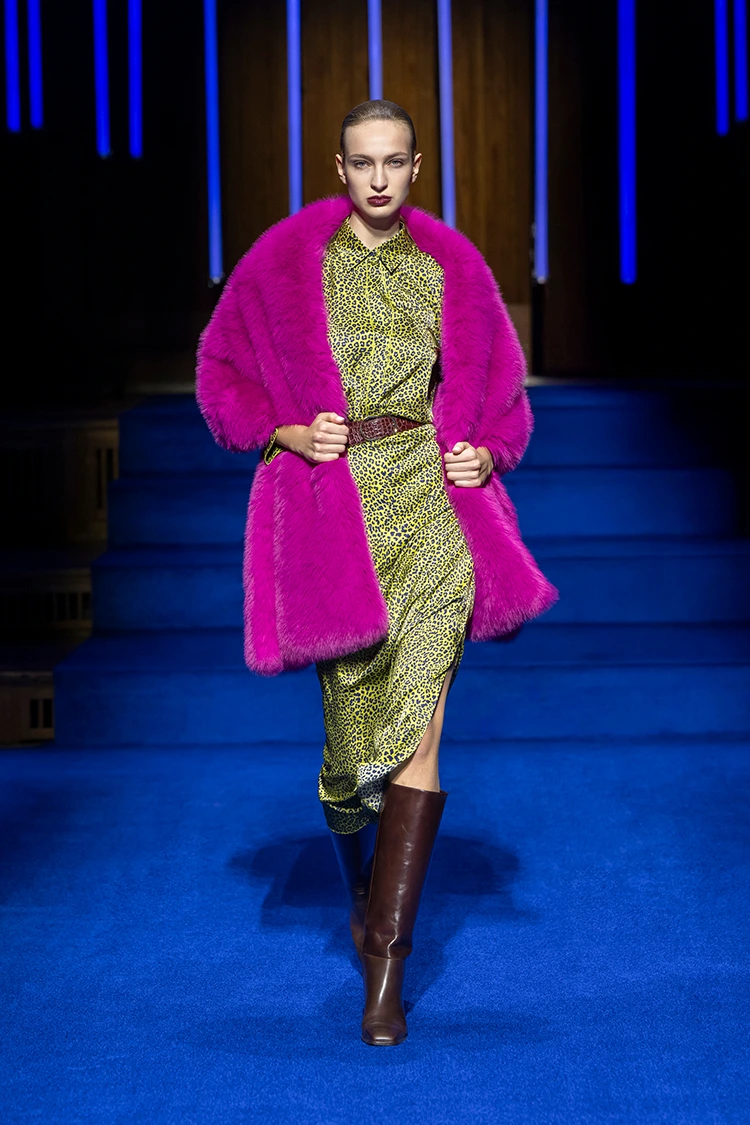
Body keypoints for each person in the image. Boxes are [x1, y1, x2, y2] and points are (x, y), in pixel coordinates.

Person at [195, 99, 559, 1046]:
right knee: (350, 756)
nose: (380, 178)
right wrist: (284, 430)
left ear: (417, 166)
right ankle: (363, 895)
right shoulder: (287, 265)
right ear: (340, 168)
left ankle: (384, 972)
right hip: (336, 516)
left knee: (423, 727)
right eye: (364, 162)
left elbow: (505, 403)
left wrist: (483, 451)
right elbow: (220, 379)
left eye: (396, 161)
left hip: (431, 509)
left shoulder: (452, 271)